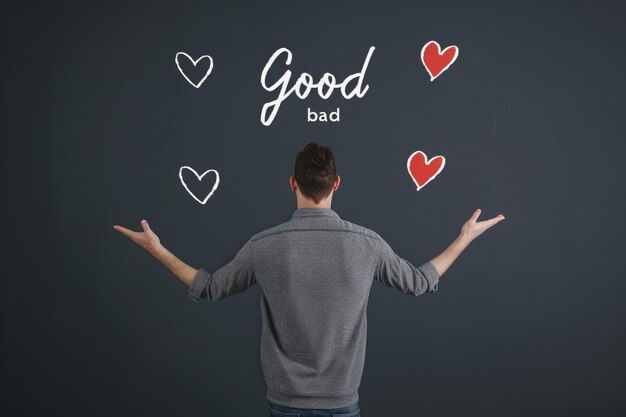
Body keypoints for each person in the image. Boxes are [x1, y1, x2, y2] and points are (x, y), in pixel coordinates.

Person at [114, 142, 505, 417]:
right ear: (336, 184)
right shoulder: (366, 244)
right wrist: (464, 238)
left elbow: (210, 287)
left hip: (284, 403)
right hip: (342, 403)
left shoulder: (262, 245)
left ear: (293, 183)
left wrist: (157, 249)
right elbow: (420, 282)